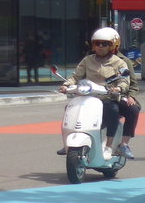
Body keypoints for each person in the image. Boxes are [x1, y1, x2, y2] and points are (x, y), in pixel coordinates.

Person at [58, 27, 139, 158]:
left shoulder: (120, 62)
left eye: (104, 43)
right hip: (89, 96)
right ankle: (67, 142)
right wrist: (66, 85)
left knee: (118, 110)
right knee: (70, 107)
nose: (100, 46)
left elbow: (126, 80)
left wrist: (119, 89)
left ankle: (114, 145)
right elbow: (76, 76)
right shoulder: (87, 60)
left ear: (112, 45)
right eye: (97, 43)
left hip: (109, 97)